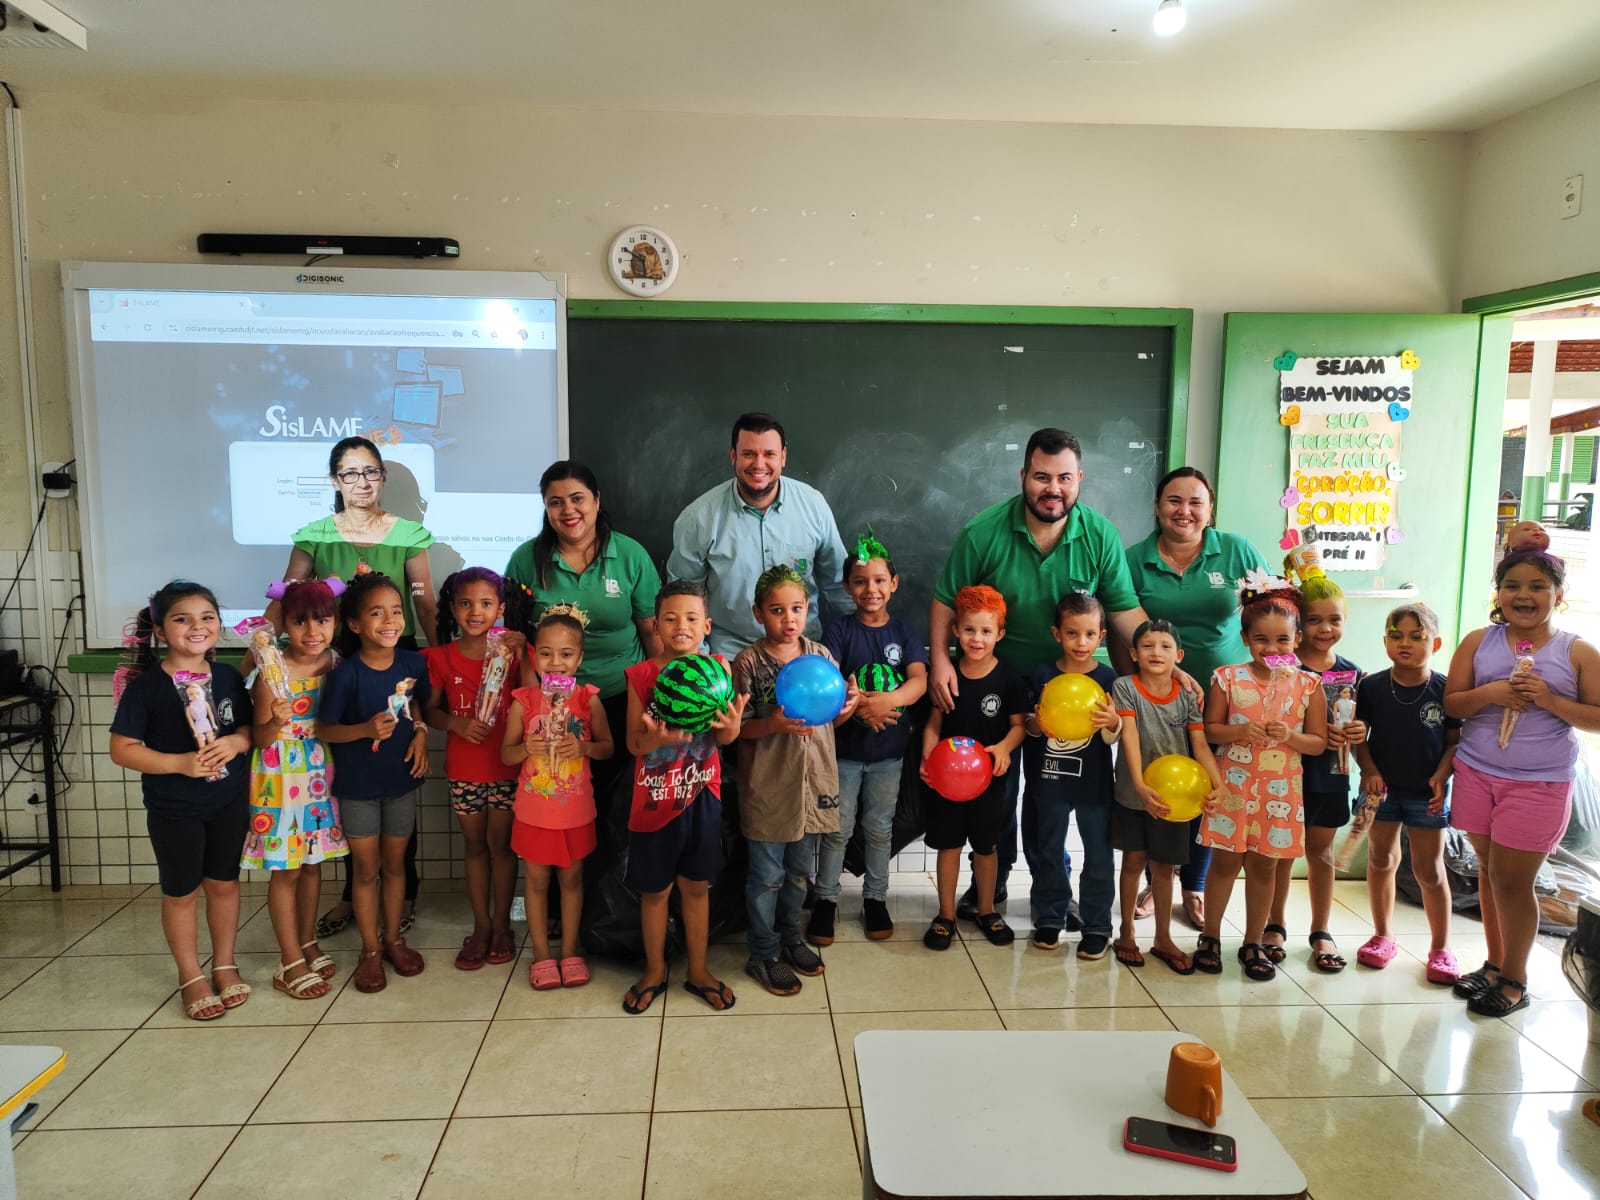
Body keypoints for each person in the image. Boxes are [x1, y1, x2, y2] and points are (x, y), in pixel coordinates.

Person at [930, 428, 1150, 918]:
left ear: (1079, 480)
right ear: (1023, 476)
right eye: (1042, 477)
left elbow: (1123, 612)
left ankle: (1055, 891)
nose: (1053, 488)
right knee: (999, 788)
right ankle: (995, 881)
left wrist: (1159, 666)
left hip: (1071, 693)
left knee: (1055, 796)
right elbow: (946, 599)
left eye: (1065, 478)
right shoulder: (982, 531)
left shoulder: (1099, 534)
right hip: (996, 685)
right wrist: (942, 660)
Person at [270, 436, 435, 940]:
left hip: (394, 662)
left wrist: (441, 652)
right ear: (334, 480)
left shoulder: (409, 533)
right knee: (345, 785)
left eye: (370, 472)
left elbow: (423, 602)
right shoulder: (315, 534)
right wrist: (267, 646)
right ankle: (351, 895)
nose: (361, 482)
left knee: (396, 772)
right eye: (350, 473)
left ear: (382, 478)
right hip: (334, 664)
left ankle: (401, 897)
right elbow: (289, 595)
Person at [1443, 549, 1600, 1016]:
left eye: (1537, 587)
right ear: (1499, 593)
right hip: (1476, 772)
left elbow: (1596, 719)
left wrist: (1550, 700)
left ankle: (1516, 980)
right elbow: (1453, 705)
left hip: (1539, 784)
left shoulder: (1577, 652)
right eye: (1513, 586)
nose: (1524, 595)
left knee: (1514, 882)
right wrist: (1492, 693)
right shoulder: (1478, 642)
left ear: (1559, 596)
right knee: (1489, 875)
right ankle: (1495, 964)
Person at [1123, 466, 1270, 930]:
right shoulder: (1133, 558)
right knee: (1164, 783)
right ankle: (1157, 878)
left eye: (1195, 502)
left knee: (1210, 786)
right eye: (1173, 500)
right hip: (1159, 697)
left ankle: (1195, 886)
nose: (1183, 511)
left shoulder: (1237, 550)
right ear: (1157, 506)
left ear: (1210, 510)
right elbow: (1123, 624)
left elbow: (1271, 609)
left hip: (1230, 697)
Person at [109, 581, 254, 1021]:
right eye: (182, 618)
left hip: (229, 802)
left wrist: (235, 745)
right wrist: (180, 764)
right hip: (175, 809)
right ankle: (191, 974)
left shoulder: (228, 676)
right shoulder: (147, 687)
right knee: (181, 892)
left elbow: (249, 732)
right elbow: (123, 749)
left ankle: (224, 963)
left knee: (224, 884)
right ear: (159, 630)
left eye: (207, 617)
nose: (197, 626)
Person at [504, 460, 662, 803]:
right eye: (555, 502)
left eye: (578, 498)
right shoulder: (525, 560)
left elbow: (652, 633)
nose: (568, 510)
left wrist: (655, 696)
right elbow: (516, 642)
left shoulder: (631, 555)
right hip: (554, 706)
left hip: (623, 698)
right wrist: (532, 706)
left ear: (596, 501)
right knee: (563, 799)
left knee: (615, 805)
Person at [621, 581, 746, 1014]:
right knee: (654, 893)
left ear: (707, 625)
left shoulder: (720, 671)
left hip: (701, 800)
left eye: (692, 618)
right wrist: (651, 738)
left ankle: (698, 970)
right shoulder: (642, 675)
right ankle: (655, 970)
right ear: (655, 625)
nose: (681, 626)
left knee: (696, 888)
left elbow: (727, 737)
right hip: (653, 804)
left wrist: (732, 723)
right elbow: (633, 745)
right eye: (670, 618)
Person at [733, 565, 859, 994]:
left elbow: (828, 720)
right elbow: (736, 730)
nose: (788, 619)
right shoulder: (749, 662)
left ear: (808, 610)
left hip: (814, 783)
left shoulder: (821, 657)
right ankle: (763, 953)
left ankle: (791, 939)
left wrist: (847, 706)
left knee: (798, 875)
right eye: (777, 610)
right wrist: (773, 725)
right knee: (766, 876)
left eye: (797, 609)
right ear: (758, 613)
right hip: (769, 788)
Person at [1197, 574, 1327, 981]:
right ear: (1245, 637)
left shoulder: (1308, 685)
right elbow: (1209, 730)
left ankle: (1253, 940)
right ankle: (1211, 936)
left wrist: (1290, 736)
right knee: (1223, 863)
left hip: (1281, 791)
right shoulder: (1227, 678)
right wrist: (1237, 731)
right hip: (1233, 786)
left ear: (1297, 639)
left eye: (1282, 641)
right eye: (1261, 640)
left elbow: (1318, 743)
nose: (1272, 649)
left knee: (1265, 868)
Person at [315, 572, 431, 994]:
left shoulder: (413, 663)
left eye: (397, 611)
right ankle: (369, 949)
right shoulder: (347, 675)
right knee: (366, 871)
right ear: (355, 624)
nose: (390, 620)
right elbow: (325, 729)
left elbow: (418, 704)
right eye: (376, 612)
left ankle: (393, 940)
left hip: (401, 780)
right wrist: (364, 730)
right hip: (358, 787)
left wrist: (419, 731)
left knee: (396, 865)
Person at [811, 532, 929, 943]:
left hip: (888, 756)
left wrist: (888, 701)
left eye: (879, 580)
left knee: (879, 828)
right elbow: (830, 686)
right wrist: (862, 707)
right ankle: (825, 899)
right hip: (842, 754)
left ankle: (875, 898)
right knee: (837, 828)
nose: (871, 589)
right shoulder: (838, 632)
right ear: (847, 588)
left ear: (894, 583)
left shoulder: (905, 633)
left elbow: (919, 680)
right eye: (860, 581)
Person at [668, 412, 848, 658]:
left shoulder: (813, 506)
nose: (759, 464)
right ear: (733, 456)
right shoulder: (698, 518)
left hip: (803, 656)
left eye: (769, 454)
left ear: (783, 456)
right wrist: (706, 661)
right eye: (749, 454)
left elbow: (839, 585)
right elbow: (683, 598)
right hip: (730, 657)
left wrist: (843, 651)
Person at [243, 578, 347, 1000]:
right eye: (300, 621)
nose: (312, 632)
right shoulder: (271, 670)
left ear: (336, 622)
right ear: (283, 624)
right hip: (278, 778)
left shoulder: (336, 663)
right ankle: (289, 960)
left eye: (322, 621)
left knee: (311, 864)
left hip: (320, 774)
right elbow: (260, 738)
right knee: (285, 869)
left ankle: (307, 942)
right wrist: (275, 720)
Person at [502, 605, 613, 990]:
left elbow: (608, 748)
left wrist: (583, 749)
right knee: (535, 881)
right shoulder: (524, 701)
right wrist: (526, 747)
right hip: (534, 812)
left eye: (566, 655)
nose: (556, 663)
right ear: (534, 654)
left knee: (572, 879)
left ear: (580, 657)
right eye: (546, 653)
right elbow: (506, 754)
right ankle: (541, 954)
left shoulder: (588, 699)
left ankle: (569, 949)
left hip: (576, 811)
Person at [1267, 551, 1366, 973]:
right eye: (1314, 620)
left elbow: (1360, 726)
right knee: (1281, 853)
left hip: (1330, 775)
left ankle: (1322, 930)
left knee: (1320, 852)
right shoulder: (1278, 667)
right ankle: (1274, 924)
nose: (1325, 629)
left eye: (1335, 620)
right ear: (1297, 622)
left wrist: (1361, 733)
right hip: (1282, 772)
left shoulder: (1353, 673)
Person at [1355, 601, 1461, 983]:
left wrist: (1442, 775)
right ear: (1385, 641)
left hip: (1426, 793)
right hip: (1381, 791)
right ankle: (1383, 936)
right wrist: (1368, 770)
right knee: (1381, 859)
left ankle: (1441, 949)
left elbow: (1453, 742)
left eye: (1417, 637)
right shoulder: (1371, 686)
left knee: (1429, 870)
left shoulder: (1446, 689)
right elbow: (1359, 736)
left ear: (1435, 644)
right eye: (1396, 636)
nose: (1406, 644)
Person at [422, 568, 522, 971]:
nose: (475, 611)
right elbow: (429, 709)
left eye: (485, 603)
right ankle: (480, 925)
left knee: (502, 847)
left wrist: (523, 649)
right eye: (466, 603)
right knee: (475, 846)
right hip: (464, 770)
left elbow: (535, 695)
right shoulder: (438, 658)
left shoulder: (514, 655)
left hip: (507, 768)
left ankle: (502, 925)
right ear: (453, 608)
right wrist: (455, 723)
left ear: (500, 609)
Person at [1110, 618, 1222, 974]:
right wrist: (1140, 787)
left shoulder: (1188, 694)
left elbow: (1200, 743)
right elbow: (1128, 736)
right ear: (1133, 653)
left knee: (1164, 868)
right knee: (1133, 862)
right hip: (1133, 794)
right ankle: (1126, 932)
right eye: (1147, 646)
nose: (1156, 653)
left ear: (1179, 654)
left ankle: (1162, 938)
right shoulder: (1125, 687)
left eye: (1165, 646)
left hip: (1175, 800)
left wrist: (1216, 784)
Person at [920, 585, 1028, 951]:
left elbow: (1019, 726)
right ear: (955, 631)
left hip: (990, 783)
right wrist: (927, 757)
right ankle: (946, 914)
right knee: (948, 846)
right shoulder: (946, 677)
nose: (977, 639)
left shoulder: (1010, 678)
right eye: (969, 630)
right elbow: (934, 723)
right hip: (947, 784)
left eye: (985, 631)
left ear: (1000, 633)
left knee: (986, 847)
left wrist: (1004, 747)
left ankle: (985, 909)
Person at [1022, 592, 1118, 956]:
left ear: (1101, 636)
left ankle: (1097, 925)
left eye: (1090, 634)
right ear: (1056, 634)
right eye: (1072, 633)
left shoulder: (1108, 677)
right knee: (1049, 849)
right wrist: (1037, 723)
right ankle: (1050, 917)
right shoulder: (1044, 673)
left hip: (1093, 784)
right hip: (1049, 781)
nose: (1081, 642)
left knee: (1098, 853)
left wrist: (1112, 723)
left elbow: (1112, 737)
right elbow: (1031, 725)